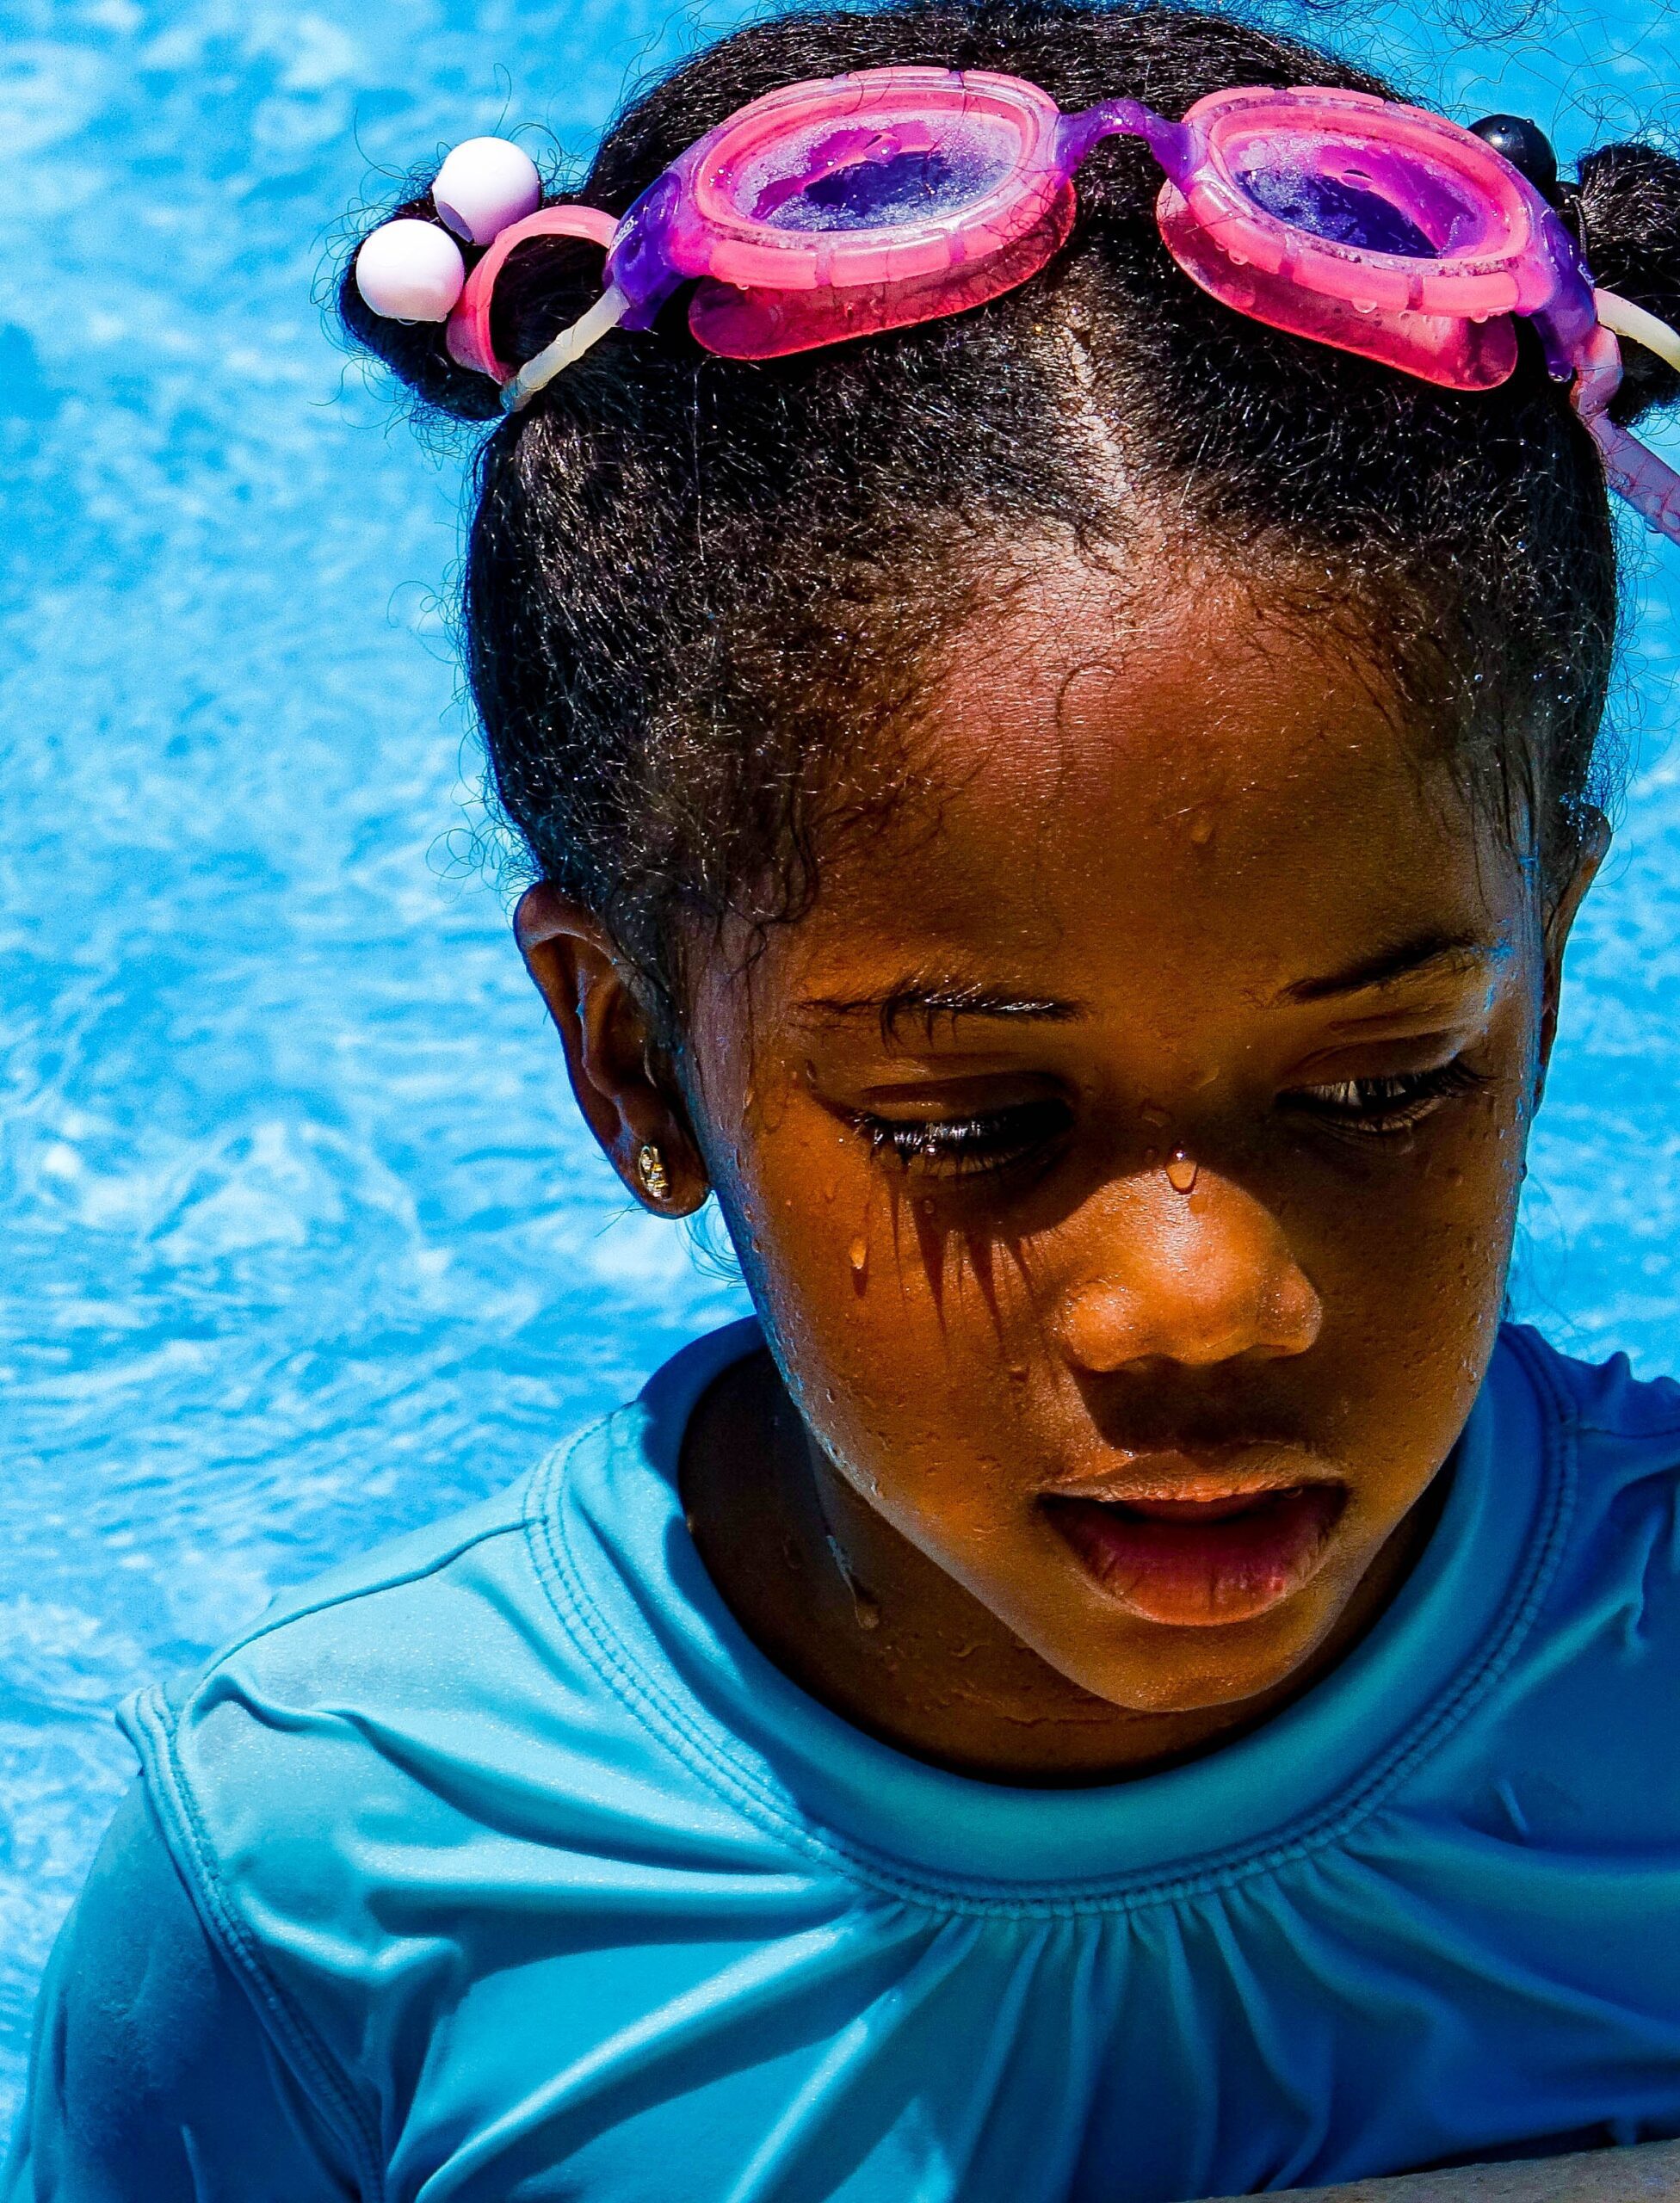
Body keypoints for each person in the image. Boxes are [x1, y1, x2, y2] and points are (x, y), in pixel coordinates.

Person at [9, 3, 1680, 2197]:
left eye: (1382, 1078)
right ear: (631, 1059)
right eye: (972, 1120)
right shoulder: (341, 1887)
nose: (1207, 1301)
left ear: (1544, 989)